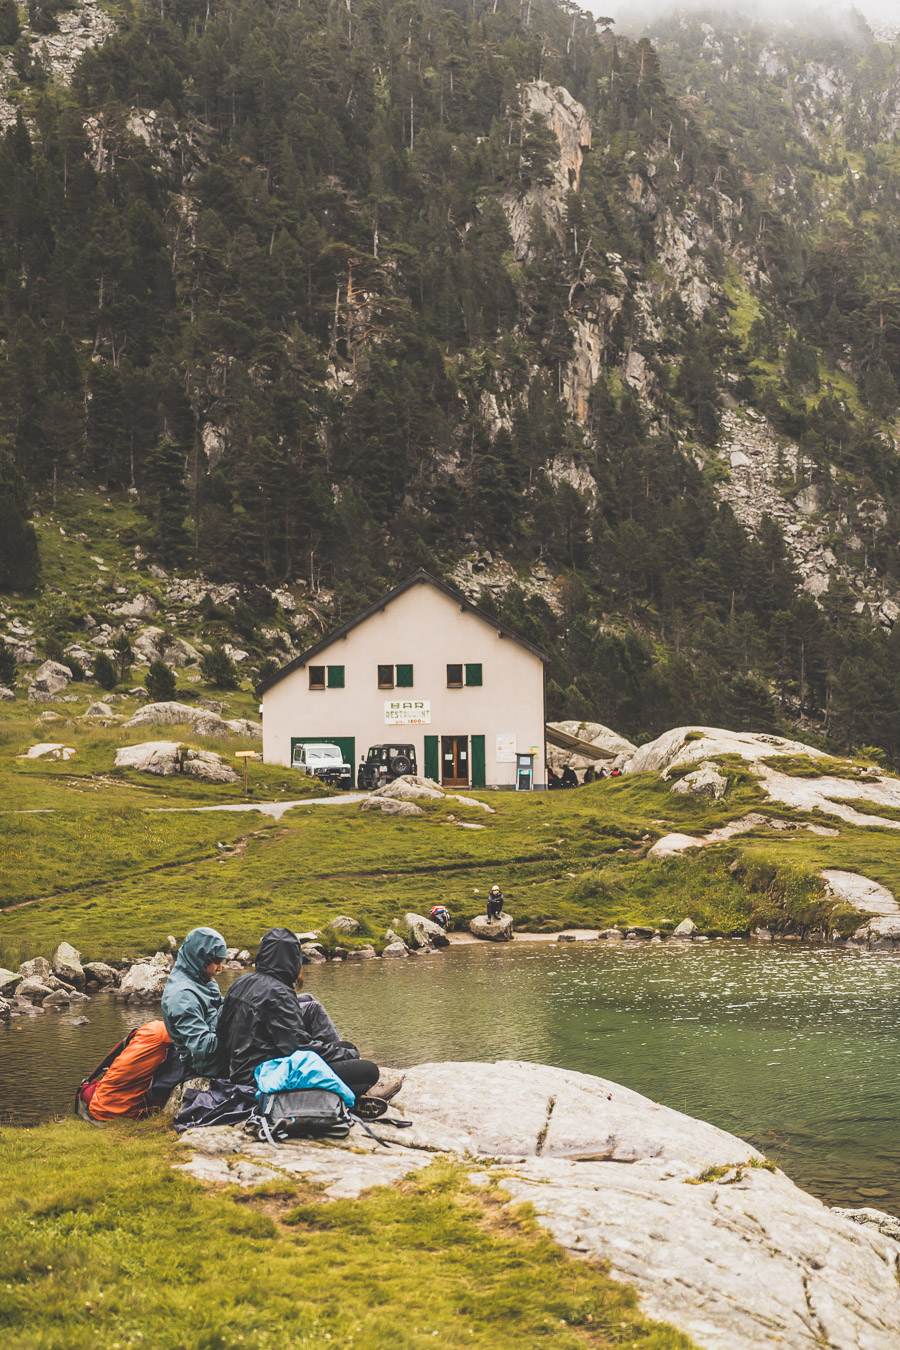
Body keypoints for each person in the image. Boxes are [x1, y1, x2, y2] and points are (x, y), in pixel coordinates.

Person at [217, 927, 379, 1103]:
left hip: (241, 1071)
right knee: (368, 1070)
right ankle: (347, 1097)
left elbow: (221, 1029)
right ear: (293, 959)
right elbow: (298, 1047)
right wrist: (349, 1054)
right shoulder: (279, 993)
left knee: (345, 1046)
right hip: (264, 1077)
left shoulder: (240, 982)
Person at [160, 926, 228, 1076]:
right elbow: (203, 1049)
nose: (220, 969)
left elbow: (221, 1006)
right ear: (200, 958)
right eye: (216, 962)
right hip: (208, 1065)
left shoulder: (203, 979)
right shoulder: (181, 996)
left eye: (222, 962)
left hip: (221, 1051)